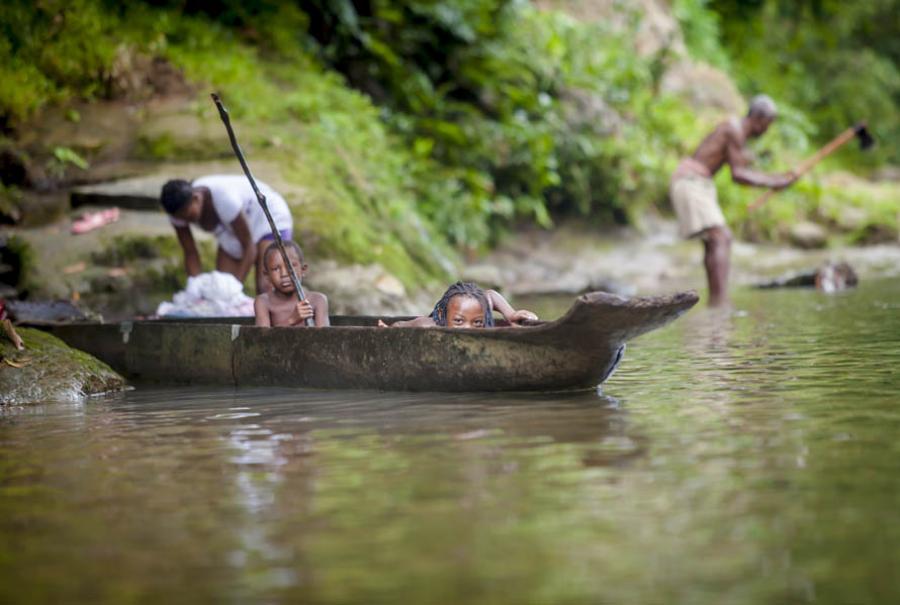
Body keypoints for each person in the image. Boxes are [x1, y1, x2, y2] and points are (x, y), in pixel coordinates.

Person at [671, 94, 798, 306]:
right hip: (691, 182)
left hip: (697, 182)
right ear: (757, 118)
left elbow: (744, 167)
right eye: (767, 124)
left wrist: (777, 178)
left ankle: (715, 302)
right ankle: (720, 303)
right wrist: (774, 183)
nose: (767, 130)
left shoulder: (734, 131)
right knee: (722, 238)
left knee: (714, 241)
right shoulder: (734, 130)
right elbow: (738, 174)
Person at [160, 175, 294, 294]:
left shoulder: (223, 198)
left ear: (196, 198)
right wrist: (195, 289)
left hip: (267, 218)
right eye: (181, 218)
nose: (185, 220)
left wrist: (234, 290)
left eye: (189, 216)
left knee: (266, 287)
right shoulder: (177, 213)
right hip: (231, 231)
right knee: (220, 289)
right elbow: (190, 252)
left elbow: (249, 247)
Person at [379, 281, 538, 328]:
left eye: (477, 322)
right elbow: (401, 326)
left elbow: (490, 295)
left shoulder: (480, 307)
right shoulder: (427, 325)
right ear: (445, 316)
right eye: (458, 321)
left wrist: (510, 314)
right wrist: (389, 330)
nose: (468, 329)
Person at [254, 241, 329, 327]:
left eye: (290, 266)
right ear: (267, 275)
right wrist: (292, 320)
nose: (284, 274)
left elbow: (325, 337)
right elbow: (262, 338)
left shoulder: (317, 300)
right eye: (276, 269)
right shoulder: (264, 302)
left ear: (303, 270)